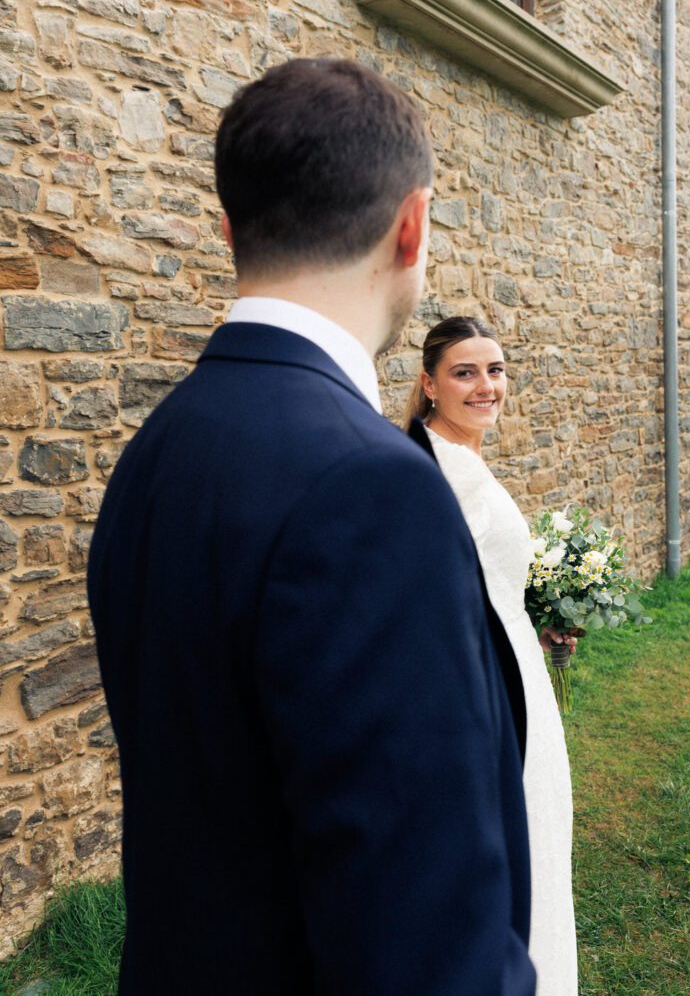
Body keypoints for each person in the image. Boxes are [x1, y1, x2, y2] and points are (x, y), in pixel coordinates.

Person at [87, 59, 537, 995]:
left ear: (227, 230)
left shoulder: (157, 447)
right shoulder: (375, 487)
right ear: (411, 227)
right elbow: (423, 935)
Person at [406, 315, 579, 996]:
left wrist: (535, 626)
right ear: (428, 384)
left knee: (539, 843)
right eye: (465, 372)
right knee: (522, 849)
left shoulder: (459, 456)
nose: (486, 385)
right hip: (494, 703)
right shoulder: (440, 476)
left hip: (518, 671)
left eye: (496, 370)